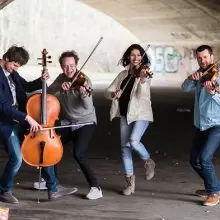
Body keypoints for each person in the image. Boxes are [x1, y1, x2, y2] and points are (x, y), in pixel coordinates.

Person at [0, 45, 77, 204]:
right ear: (6, 58)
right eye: (15, 65)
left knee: (43, 145)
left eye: (18, 66)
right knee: (17, 158)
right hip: (6, 122)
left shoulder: (12, 72)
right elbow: (3, 106)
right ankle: (4, 190)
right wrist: (27, 118)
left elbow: (26, 87)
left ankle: (53, 189)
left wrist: (41, 80)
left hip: (21, 118)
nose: (16, 68)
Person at [34, 50, 103, 200]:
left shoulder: (84, 81)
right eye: (66, 66)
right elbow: (49, 93)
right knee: (51, 145)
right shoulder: (61, 79)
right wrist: (55, 85)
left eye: (72, 66)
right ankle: (51, 182)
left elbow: (87, 107)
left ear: (76, 65)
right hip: (70, 123)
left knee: (79, 153)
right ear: (61, 67)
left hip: (86, 122)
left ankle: (96, 187)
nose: (69, 69)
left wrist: (84, 94)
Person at [104, 44, 156, 196]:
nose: (136, 58)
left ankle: (148, 161)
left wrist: (142, 81)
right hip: (125, 114)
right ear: (128, 57)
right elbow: (107, 92)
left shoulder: (145, 73)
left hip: (141, 114)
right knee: (125, 148)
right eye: (133, 55)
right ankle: (130, 184)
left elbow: (142, 95)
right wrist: (114, 94)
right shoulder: (123, 74)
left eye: (139, 55)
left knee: (133, 141)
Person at [182, 45, 220, 207]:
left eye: (205, 57)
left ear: (211, 56)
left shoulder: (217, 76)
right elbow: (184, 88)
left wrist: (214, 94)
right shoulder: (201, 74)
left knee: (204, 158)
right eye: (199, 58)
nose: (203, 60)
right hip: (201, 124)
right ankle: (213, 186)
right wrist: (191, 78)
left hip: (217, 124)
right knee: (194, 160)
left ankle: (214, 192)